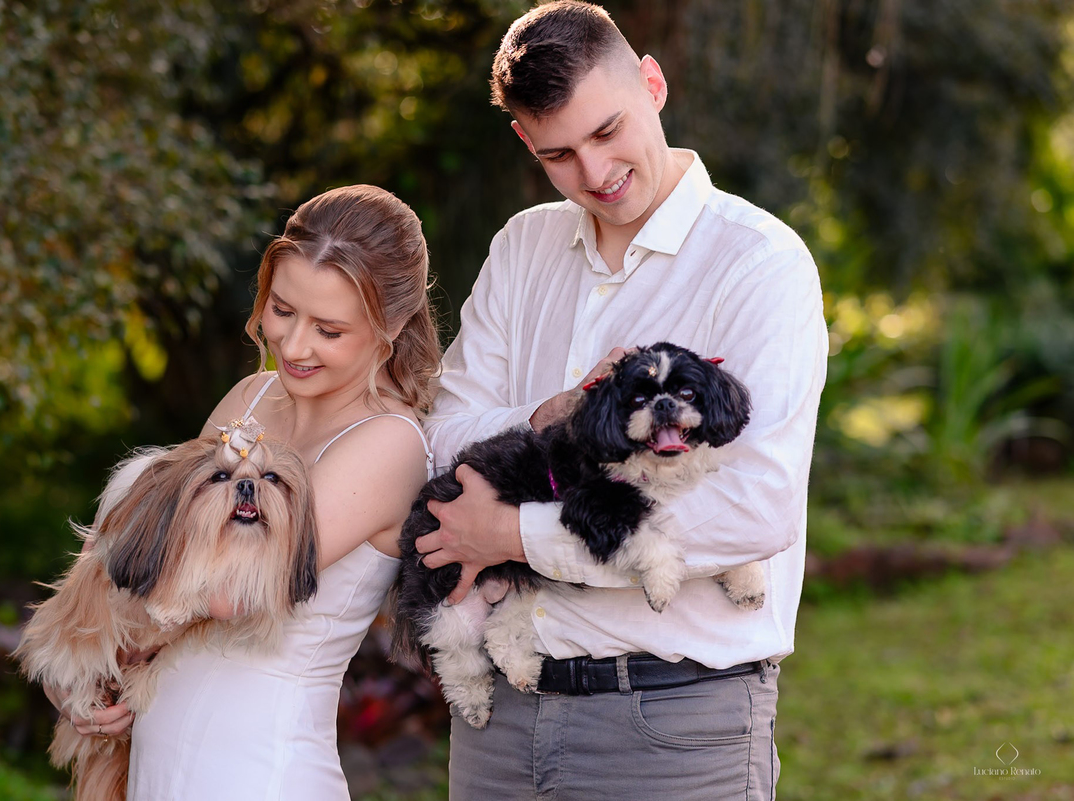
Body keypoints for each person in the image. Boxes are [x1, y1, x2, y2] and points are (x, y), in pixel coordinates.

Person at [415, 2, 828, 799]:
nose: (596, 172)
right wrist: (551, 415)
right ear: (526, 143)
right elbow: (443, 437)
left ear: (653, 84)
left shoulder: (759, 262)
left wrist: (512, 533)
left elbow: (755, 507)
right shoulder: (522, 247)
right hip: (498, 722)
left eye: (608, 131)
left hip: (672, 723)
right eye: (560, 154)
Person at [48, 184, 440, 800]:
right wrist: (80, 674)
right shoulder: (249, 398)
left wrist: (116, 578)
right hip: (158, 761)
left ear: (390, 324)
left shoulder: (387, 443)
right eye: (282, 310)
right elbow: (135, 552)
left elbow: (224, 589)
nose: (294, 345)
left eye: (329, 329)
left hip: (259, 772)